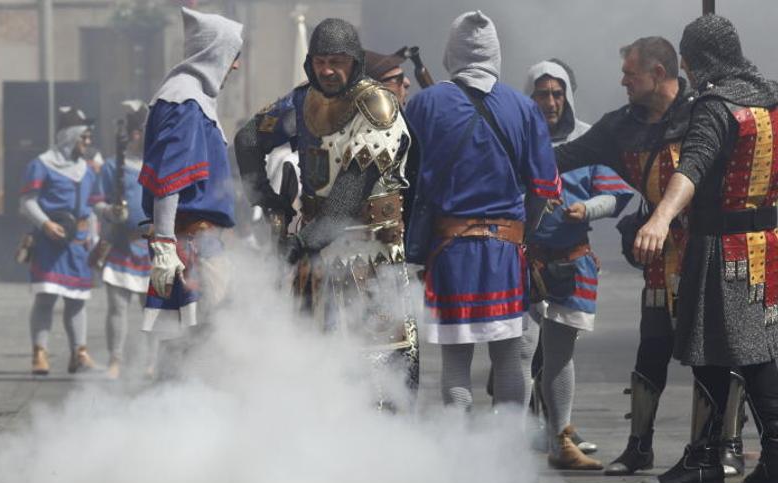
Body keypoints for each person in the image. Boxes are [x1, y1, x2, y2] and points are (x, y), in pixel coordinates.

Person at [235, 17, 419, 401]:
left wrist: (301, 242)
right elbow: (249, 138)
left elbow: (352, 190)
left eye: (337, 61)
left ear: (354, 61)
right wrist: (268, 201)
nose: (328, 70)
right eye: (320, 61)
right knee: (314, 363)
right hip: (314, 252)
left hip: (371, 252)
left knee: (379, 367)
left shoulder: (377, 107)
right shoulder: (302, 100)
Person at [551, 37, 707, 476]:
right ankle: (639, 447)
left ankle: (716, 448)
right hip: (658, 256)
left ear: (658, 74)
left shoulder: (703, 114)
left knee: (713, 355)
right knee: (651, 349)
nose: (622, 81)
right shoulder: (619, 127)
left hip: (708, 253)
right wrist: (512, 155)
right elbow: (563, 158)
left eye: (630, 74)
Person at [635, 15, 778, 483]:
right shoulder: (772, 97)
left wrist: (659, 217)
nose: (690, 72)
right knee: (721, 353)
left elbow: (691, 167)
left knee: (748, 355)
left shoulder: (716, 106)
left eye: (690, 61)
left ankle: (762, 456)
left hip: (725, 250)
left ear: (699, 60)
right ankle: (706, 456)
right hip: (769, 246)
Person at [404, 11, 560, 415]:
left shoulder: (423, 104)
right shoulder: (523, 108)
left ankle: (461, 462)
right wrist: (522, 236)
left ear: (451, 52)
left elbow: (406, 180)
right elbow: (544, 189)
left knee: (455, 366)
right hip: (505, 252)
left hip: (448, 253)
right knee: (510, 356)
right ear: (494, 53)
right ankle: (507, 456)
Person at [524, 60, 635, 469]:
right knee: (519, 353)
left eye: (557, 93)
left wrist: (586, 209)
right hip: (521, 262)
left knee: (558, 355)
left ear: (567, 95)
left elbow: (616, 193)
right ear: (530, 96)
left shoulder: (589, 140)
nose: (551, 102)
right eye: (542, 93)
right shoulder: (515, 136)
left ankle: (561, 440)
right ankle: (510, 440)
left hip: (570, 262)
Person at [138, 7, 242, 377]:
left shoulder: (188, 97)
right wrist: (166, 245)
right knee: (194, 350)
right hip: (190, 245)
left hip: (196, 241)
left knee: (198, 348)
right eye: (234, 57)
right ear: (216, 52)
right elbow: (170, 178)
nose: (235, 67)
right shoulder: (186, 102)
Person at [19, 107, 101, 375]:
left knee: (77, 300)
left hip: (78, 245)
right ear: (70, 136)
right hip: (50, 242)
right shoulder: (41, 164)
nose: (87, 143)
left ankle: (79, 353)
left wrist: (96, 236)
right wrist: (45, 223)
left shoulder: (87, 170)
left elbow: (91, 207)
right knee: (46, 299)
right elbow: (27, 202)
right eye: (84, 138)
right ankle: (39, 354)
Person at [93, 100, 156, 379]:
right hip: (121, 244)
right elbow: (96, 202)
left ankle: (150, 362)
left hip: (153, 247)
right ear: (135, 134)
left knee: (152, 311)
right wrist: (110, 211)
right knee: (117, 307)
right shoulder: (110, 167)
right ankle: (115, 360)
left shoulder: (160, 166)